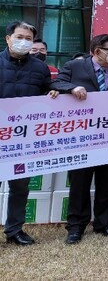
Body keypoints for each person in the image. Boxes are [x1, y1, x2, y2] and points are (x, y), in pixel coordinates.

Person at [51, 34, 108, 244]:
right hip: (82, 137)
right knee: (79, 182)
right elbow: (55, 83)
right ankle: (76, 226)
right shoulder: (74, 67)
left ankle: (104, 222)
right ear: (97, 51)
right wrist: (72, 88)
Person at [1, 21, 58, 245]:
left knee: (20, 186)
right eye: (19, 36)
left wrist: (54, 91)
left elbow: (48, 90)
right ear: (8, 38)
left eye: (29, 38)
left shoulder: (39, 68)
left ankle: (14, 230)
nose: (24, 41)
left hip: (24, 140)